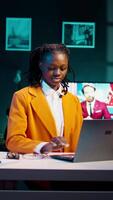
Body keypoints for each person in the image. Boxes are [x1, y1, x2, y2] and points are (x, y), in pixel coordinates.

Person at [6, 43, 83, 155]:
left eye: (63, 68)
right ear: (41, 65)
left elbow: (80, 139)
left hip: (69, 168)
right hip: (37, 167)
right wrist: (43, 146)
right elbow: (13, 141)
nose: (58, 73)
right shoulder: (22, 97)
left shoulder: (73, 100)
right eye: (52, 68)